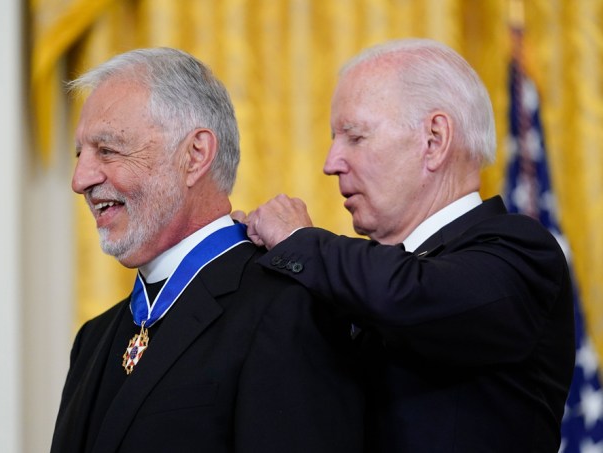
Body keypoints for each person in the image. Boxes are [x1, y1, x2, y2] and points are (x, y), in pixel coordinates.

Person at [237, 38, 575, 452]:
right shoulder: (353, 280)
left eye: (355, 137)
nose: (331, 163)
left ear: (434, 140)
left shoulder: (521, 252)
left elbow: (409, 295)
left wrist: (297, 241)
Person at [50, 48, 365, 453]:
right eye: (81, 154)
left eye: (107, 150)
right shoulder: (92, 340)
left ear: (195, 155)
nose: (81, 179)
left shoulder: (289, 309)